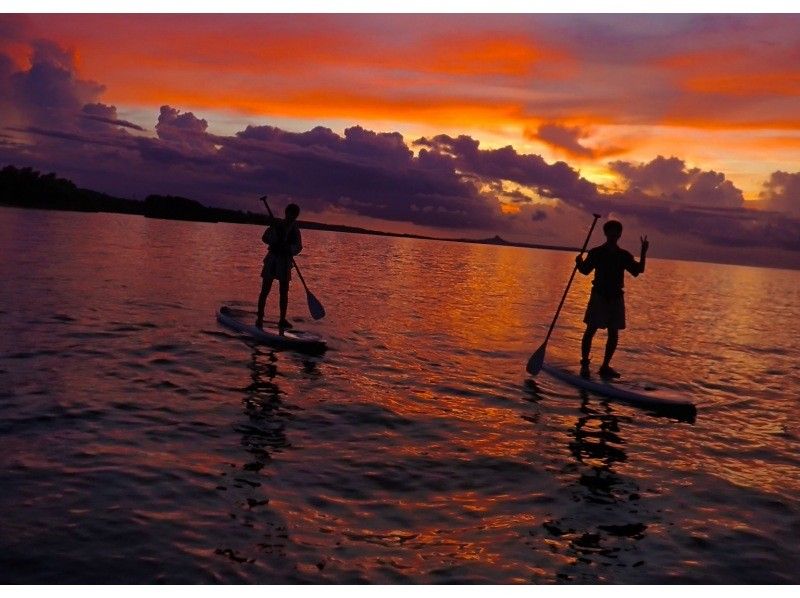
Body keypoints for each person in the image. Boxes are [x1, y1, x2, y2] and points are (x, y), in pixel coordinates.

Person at [575, 219, 648, 379]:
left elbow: (638, 270)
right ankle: (585, 365)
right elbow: (585, 271)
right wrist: (579, 263)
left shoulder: (623, 255)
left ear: (620, 234)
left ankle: (605, 366)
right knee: (591, 329)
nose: (614, 235)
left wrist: (643, 252)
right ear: (606, 233)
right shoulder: (596, 252)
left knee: (613, 333)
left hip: (616, 297)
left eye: (617, 232)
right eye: (611, 232)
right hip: (599, 295)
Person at [256, 203, 302, 333]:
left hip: (285, 262)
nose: (292, 217)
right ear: (286, 213)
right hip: (272, 260)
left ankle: (282, 319)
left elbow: (298, 246)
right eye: (291, 214)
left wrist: (289, 248)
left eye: (295, 215)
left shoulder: (295, 230)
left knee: (284, 292)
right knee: (265, 290)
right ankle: (260, 317)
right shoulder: (277, 224)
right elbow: (265, 238)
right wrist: (275, 239)